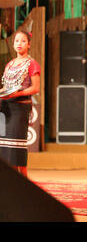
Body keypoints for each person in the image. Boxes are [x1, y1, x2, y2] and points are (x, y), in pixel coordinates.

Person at [0, 30, 40, 177]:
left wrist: (17, 94)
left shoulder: (32, 64)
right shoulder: (9, 64)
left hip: (20, 107)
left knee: (16, 148)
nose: (19, 43)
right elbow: (5, 87)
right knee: (4, 147)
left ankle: (24, 183)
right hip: (5, 108)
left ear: (29, 44)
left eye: (23, 41)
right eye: (17, 40)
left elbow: (35, 88)